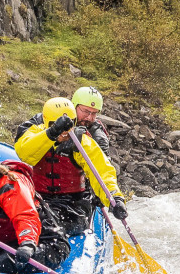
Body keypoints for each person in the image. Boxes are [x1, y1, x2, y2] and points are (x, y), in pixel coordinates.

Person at [14, 97, 127, 236]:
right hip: (38, 199)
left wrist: (115, 198)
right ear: (46, 123)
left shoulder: (82, 141)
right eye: (58, 127)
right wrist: (51, 134)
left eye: (68, 126)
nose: (64, 132)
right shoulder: (34, 133)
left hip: (73, 204)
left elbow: (102, 171)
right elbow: (24, 154)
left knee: (49, 225)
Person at [14, 86, 112, 154]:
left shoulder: (97, 135)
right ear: (74, 106)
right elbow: (21, 138)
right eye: (86, 111)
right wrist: (52, 135)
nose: (90, 117)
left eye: (94, 113)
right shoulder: (47, 118)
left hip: (73, 180)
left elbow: (103, 166)